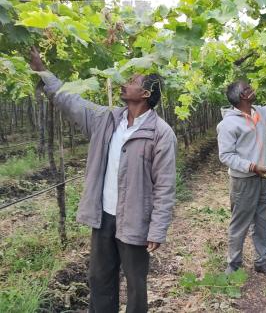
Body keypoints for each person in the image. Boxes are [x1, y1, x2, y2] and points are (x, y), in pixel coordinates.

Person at [30, 47, 177, 313]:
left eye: (132, 81)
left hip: (135, 220)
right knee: (99, 278)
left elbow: (165, 186)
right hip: (103, 217)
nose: (125, 83)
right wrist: (43, 71)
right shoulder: (105, 119)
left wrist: (157, 229)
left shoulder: (161, 134)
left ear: (145, 94)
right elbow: (69, 100)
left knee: (135, 284)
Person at [217, 80, 266, 277]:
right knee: (240, 223)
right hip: (243, 182)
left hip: (262, 178)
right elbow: (225, 156)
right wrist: (251, 166)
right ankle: (233, 265)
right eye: (248, 88)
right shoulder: (228, 124)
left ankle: (262, 261)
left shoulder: (258, 112)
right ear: (242, 96)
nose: (252, 89)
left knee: (261, 221)